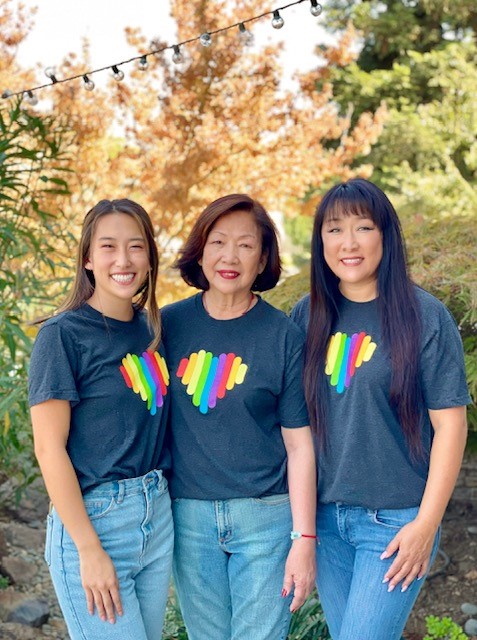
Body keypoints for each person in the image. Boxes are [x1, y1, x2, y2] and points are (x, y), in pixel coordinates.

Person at [291, 178, 470, 640]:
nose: (348, 243)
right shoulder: (304, 316)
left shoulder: (424, 316)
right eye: (334, 230)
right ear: (320, 241)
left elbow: (451, 427)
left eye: (363, 227)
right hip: (325, 521)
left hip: (394, 523)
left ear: (386, 236)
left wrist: (425, 525)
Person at [161, 194, 316, 640]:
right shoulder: (165, 326)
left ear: (263, 257)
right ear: (200, 251)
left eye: (246, 245)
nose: (230, 257)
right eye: (218, 242)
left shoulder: (283, 335)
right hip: (188, 516)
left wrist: (303, 539)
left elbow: (299, 443)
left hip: (265, 518)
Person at [28, 199, 173, 640]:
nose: (123, 260)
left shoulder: (153, 331)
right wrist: (88, 549)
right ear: (88, 258)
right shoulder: (62, 335)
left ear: (149, 257)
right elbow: (48, 448)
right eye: (108, 247)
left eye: (136, 246)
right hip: (96, 522)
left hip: (156, 516)